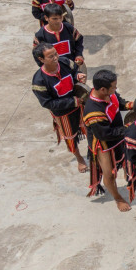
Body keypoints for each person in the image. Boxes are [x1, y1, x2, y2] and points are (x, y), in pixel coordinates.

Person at [31, 42, 88, 173]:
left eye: (55, 54)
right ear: (41, 59)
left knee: (90, 127)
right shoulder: (39, 81)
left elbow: (75, 72)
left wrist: (78, 76)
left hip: (80, 105)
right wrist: (72, 101)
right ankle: (79, 158)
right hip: (63, 114)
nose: (55, 58)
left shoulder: (65, 62)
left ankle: (93, 151)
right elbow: (48, 103)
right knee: (70, 137)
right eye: (50, 56)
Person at [83, 69, 133, 211]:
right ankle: (118, 198)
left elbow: (119, 101)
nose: (115, 89)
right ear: (103, 89)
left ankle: (126, 173)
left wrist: (131, 105)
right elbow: (104, 134)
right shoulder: (93, 111)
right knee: (109, 173)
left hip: (118, 134)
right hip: (104, 143)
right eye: (113, 87)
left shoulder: (108, 93)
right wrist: (128, 128)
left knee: (126, 158)